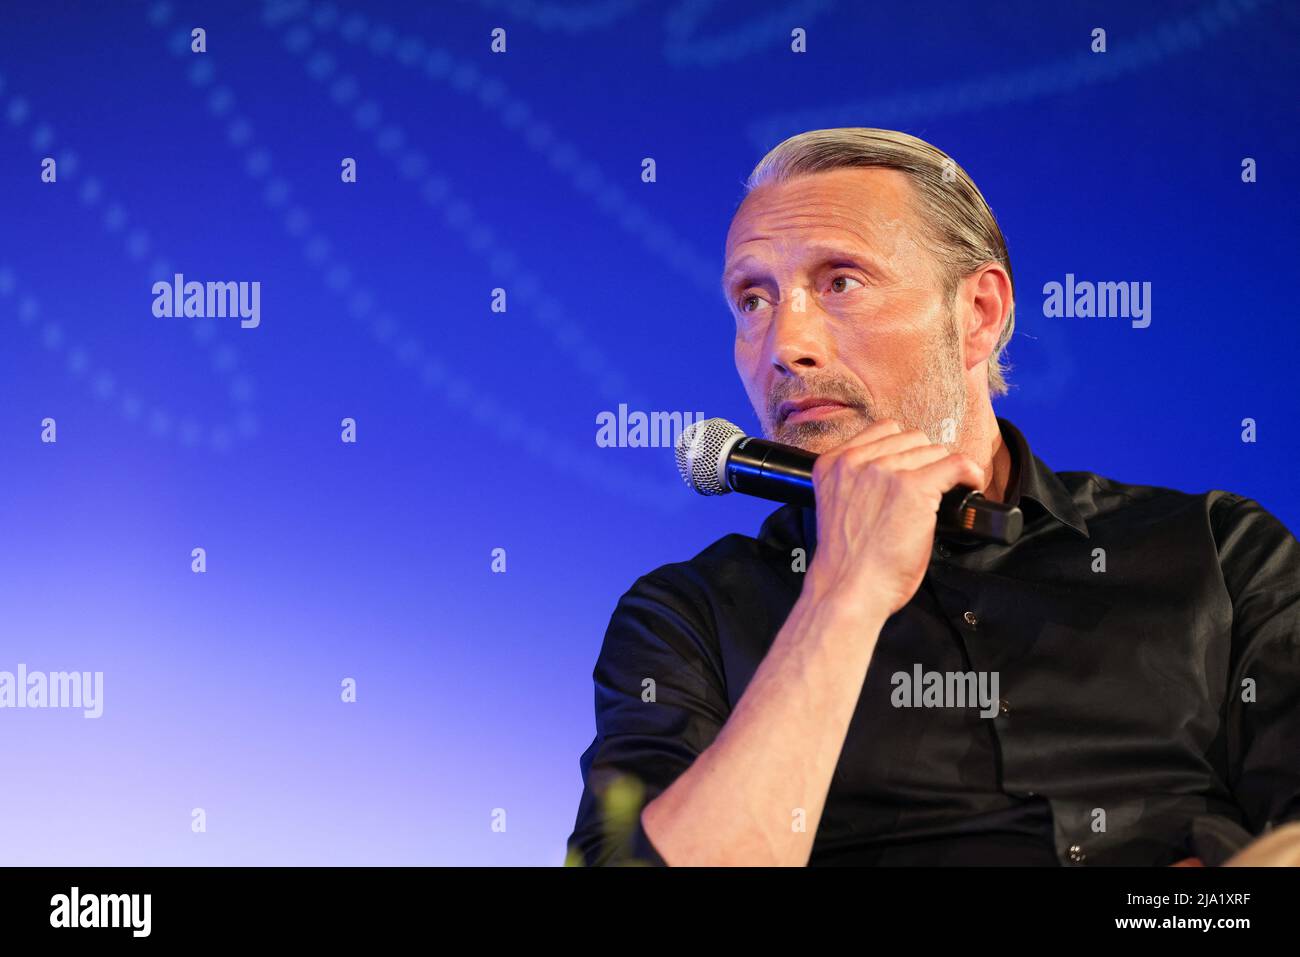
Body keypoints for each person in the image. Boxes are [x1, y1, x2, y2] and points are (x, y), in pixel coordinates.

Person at [565, 128, 1300, 867]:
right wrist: (842, 593)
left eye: (839, 282)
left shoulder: (1220, 553)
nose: (785, 342)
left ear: (978, 313)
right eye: (753, 299)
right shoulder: (684, 619)